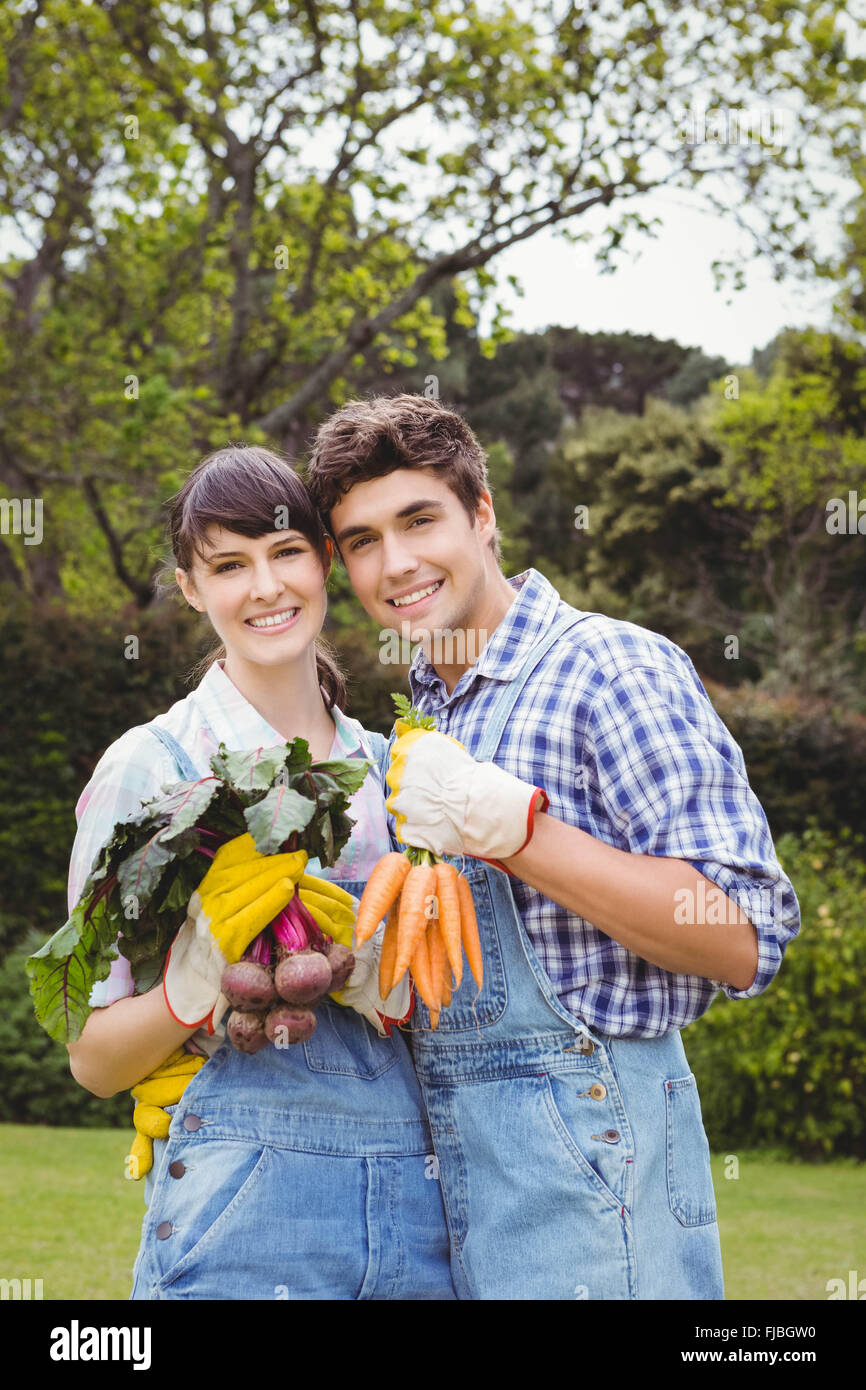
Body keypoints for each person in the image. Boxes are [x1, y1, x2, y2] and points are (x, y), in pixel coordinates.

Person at [304, 391, 803, 1301]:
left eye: (420, 520)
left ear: (483, 514)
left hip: (595, 1188)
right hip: (456, 1194)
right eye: (363, 540)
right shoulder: (422, 713)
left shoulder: (610, 668)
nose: (397, 563)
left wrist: (522, 835)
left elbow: (743, 934)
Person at [65, 445, 457, 1301]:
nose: (267, 587)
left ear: (326, 561)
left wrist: (389, 983)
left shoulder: (394, 771)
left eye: (286, 552)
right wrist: (191, 988)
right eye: (229, 565)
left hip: (417, 1221)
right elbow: (93, 1060)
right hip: (238, 1227)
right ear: (190, 587)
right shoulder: (151, 769)